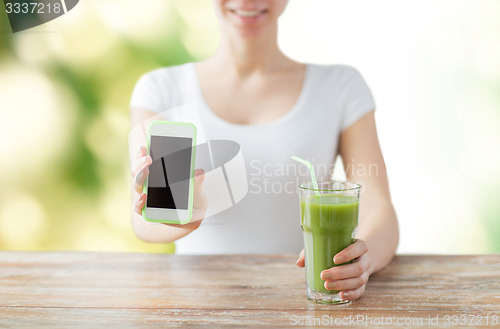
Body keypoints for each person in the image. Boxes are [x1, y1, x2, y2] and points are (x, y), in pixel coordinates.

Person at [129, 0, 398, 301]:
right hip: (194, 305)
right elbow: (142, 219)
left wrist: (364, 258)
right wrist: (183, 217)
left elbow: (378, 208)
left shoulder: (340, 87)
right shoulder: (161, 89)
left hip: (301, 301)